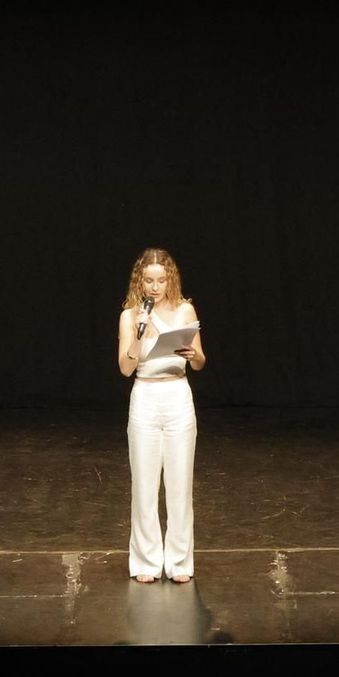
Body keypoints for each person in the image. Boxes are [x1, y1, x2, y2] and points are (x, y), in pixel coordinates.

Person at [116, 248, 205, 584]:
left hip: (177, 396)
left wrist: (193, 352)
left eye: (161, 280)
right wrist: (138, 336)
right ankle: (146, 561)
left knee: (180, 484)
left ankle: (180, 562)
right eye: (148, 280)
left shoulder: (185, 311)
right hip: (146, 397)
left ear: (170, 279)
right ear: (140, 281)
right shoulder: (129, 316)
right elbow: (125, 368)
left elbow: (199, 362)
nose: (155, 287)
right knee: (144, 483)